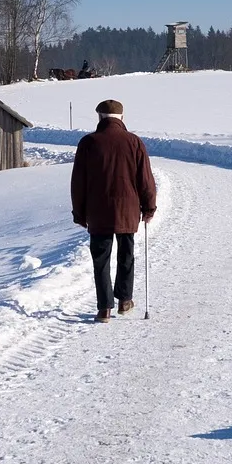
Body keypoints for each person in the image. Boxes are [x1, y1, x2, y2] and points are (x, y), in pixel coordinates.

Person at [71, 99, 157, 323]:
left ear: (99, 117)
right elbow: (145, 179)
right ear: (122, 118)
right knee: (126, 255)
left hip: (98, 212)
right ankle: (125, 300)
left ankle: (104, 309)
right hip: (127, 210)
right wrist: (149, 207)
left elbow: (78, 182)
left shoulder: (88, 142)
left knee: (101, 259)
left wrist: (79, 213)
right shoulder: (134, 142)